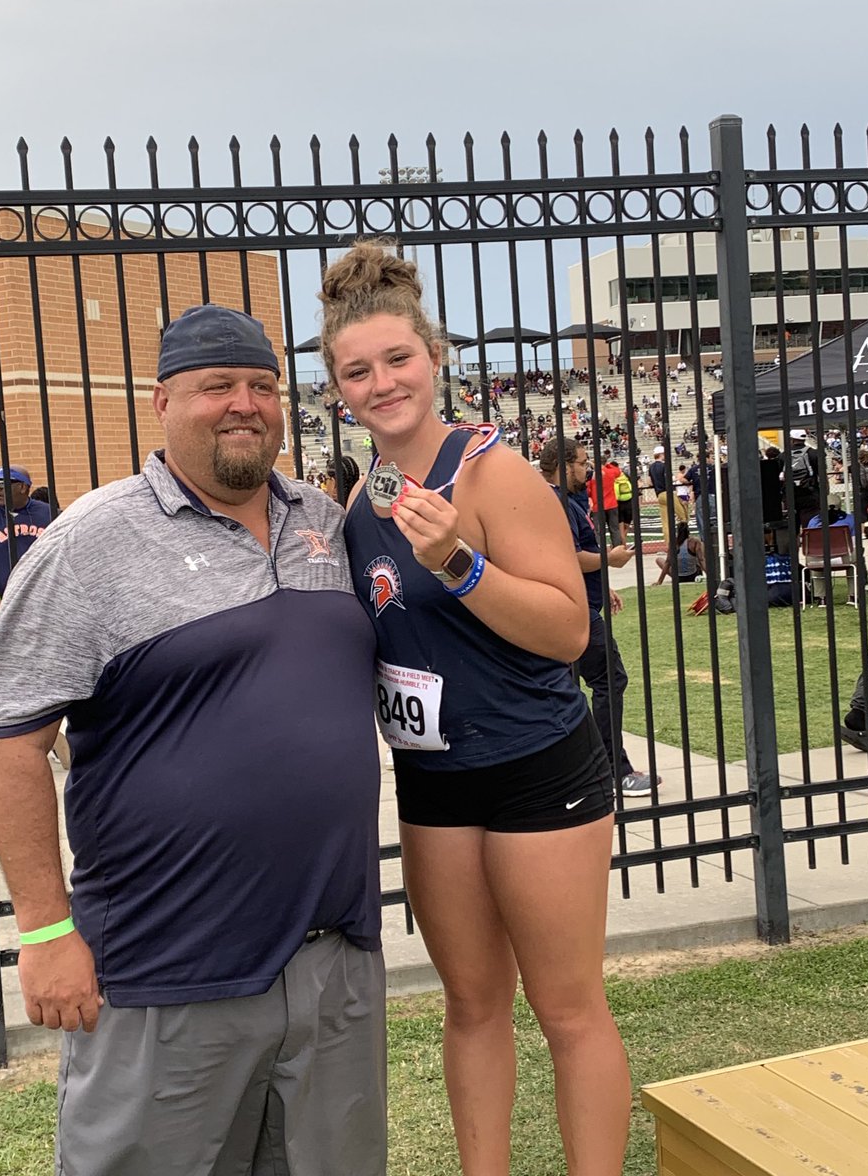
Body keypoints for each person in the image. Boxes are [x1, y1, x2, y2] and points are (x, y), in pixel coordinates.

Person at [0, 304, 386, 1176]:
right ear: (162, 401)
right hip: (168, 969)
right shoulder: (89, 541)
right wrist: (46, 933)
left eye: (263, 386)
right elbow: (9, 735)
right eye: (216, 387)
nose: (245, 404)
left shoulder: (323, 523)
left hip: (331, 962)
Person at [320, 241, 630, 1176]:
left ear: (435, 355)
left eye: (397, 360)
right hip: (435, 783)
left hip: (539, 769)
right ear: (339, 388)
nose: (382, 384)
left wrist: (459, 564)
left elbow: (569, 633)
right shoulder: (359, 501)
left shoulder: (489, 473)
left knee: (567, 1007)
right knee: (471, 1004)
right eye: (357, 371)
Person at [539, 438, 658, 799]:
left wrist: (601, 584)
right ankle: (613, 768)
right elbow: (569, 556)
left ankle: (580, 769)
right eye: (582, 462)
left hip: (574, 603)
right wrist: (610, 558)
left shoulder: (561, 500)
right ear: (563, 464)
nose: (587, 469)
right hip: (573, 610)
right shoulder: (557, 501)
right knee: (609, 679)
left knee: (571, 687)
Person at [0, 465, 52, 623]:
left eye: (2, 484)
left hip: (46, 610)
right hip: (5, 611)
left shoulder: (50, 514)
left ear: (23, 487)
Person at [648, 443, 687, 539]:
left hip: (659, 494)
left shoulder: (651, 467)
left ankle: (669, 544)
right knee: (683, 515)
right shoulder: (664, 466)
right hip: (667, 493)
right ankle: (684, 538)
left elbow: (649, 483)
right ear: (661, 454)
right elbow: (668, 480)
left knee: (666, 522)